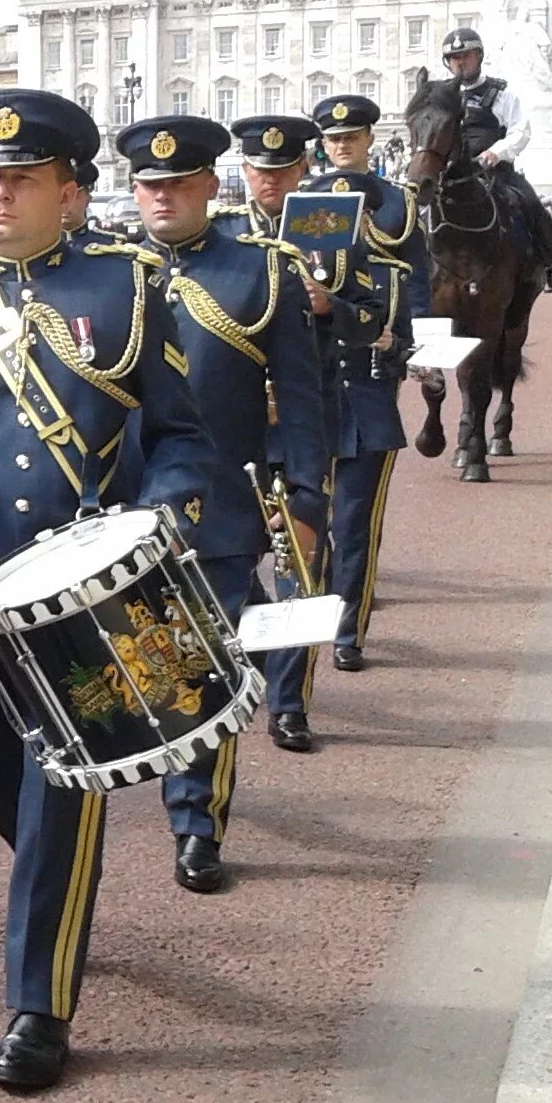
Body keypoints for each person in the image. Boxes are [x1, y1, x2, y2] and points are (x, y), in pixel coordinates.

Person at [0, 89, 218, 1092]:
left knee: (59, 798)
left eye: (18, 178)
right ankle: (61, 898)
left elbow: (176, 433)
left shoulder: (124, 288)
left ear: (67, 190)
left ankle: (37, 1005)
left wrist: (167, 507)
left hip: (83, 596)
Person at [122, 116, 326, 891]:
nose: (162, 196)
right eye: (149, 185)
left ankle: (195, 823)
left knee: (206, 666)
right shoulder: (108, 273)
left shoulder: (262, 272)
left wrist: (306, 491)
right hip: (120, 504)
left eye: (178, 183)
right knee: (146, 667)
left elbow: (302, 399)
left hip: (221, 504)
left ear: (213, 185)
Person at [225, 114, 375, 750]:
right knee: (229, 570)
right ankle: (261, 663)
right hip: (237, 432)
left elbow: (379, 318)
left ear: (303, 172)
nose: (270, 182)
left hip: (307, 419)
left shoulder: (337, 239)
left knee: (302, 569)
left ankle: (289, 703)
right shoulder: (224, 241)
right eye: (260, 171)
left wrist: (330, 305)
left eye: (283, 171)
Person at [305, 95, 420, 672]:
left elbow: (415, 276)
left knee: (354, 526)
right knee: (305, 522)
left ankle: (348, 631)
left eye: (351, 137)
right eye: (332, 138)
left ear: (371, 139)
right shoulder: (308, 208)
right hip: (315, 387)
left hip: (370, 387)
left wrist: (409, 346)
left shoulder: (399, 200)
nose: (342, 145)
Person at [441, 26, 552, 293]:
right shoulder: (440, 97)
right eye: (455, 58)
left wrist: (497, 152)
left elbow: (521, 129)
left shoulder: (500, 94)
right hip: (451, 175)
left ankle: (551, 265)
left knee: (532, 204)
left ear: (479, 57)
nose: (461, 62)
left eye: (467, 55)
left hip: (494, 172)